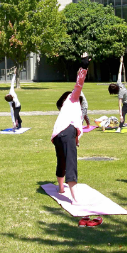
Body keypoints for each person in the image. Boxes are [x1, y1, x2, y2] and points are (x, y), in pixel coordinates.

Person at [52, 53, 91, 205]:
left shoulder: (64, 108)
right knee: (71, 163)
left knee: (61, 161)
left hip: (57, 136)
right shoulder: (72, 99)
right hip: (67, 132)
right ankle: (75, 198)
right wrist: (84, 66)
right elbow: (79, 84)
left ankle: (61, 188)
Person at [108, 56, 127, 132]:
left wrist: (120, 114)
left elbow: (119, 105)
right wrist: (121, 62)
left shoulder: (120, 93)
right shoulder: (118, 83)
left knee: (123, 114)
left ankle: (119, 128)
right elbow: (119, 72)